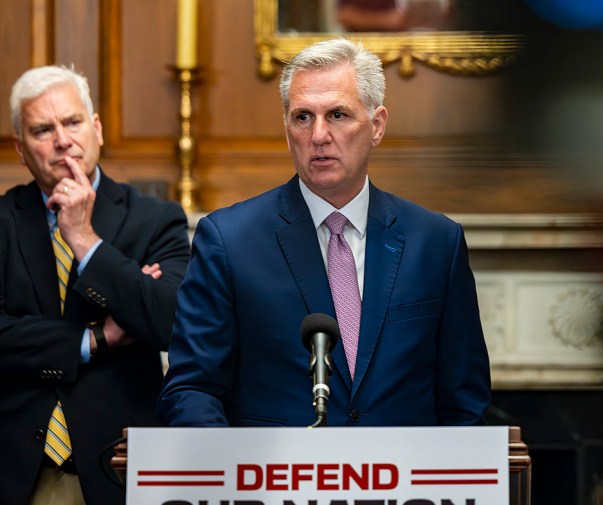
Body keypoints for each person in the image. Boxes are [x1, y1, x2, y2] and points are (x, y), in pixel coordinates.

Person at [158, 38, 491, 428]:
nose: (318, 135)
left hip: (403, 483)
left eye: (337, 115)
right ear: (287, 130)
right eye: (302, 117)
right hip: (272, 482)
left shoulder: (436, 243)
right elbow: (192, 388)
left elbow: (464, 403)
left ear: (377, 125)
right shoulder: (230, 240)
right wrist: (232, 476)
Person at [0, 65, 191, 505]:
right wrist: (95, 338)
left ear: (97, 129)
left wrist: (85, 242)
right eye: (42, 129)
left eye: (72, 122)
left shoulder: (155, 220)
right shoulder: (3, 223)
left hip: (119, 465)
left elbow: (172, 322)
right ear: (21, 149)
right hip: (16, 469)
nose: (62, 139)